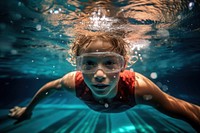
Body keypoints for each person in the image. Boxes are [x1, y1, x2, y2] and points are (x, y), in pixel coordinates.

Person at [8, 33, 200, 132]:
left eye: (110, 63)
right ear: (78, 66)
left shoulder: (138, 88)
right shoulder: (74, 82)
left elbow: (185, 112)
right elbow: (48, 88)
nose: (99, 74)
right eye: (89, 63)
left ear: (122, 65)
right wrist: (28, 111)